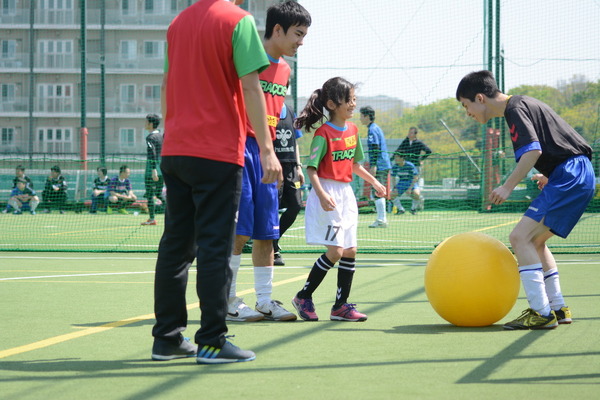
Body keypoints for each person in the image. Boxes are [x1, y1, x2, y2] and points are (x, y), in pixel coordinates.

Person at [151, 0, 282, 364]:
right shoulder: (238, 21)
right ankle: (211, 340)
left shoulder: (178, 23)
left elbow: (166, 83)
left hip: (175, 149)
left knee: (176, 246)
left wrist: (172, 133)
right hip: (216, 152)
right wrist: (268, 149)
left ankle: (167, 339)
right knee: (214, 247)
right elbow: (252, 87)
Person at [456, 70, 595, 330]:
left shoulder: (515, 108)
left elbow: (533, 150)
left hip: (570, 174)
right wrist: (549, 173)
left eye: (466, 106)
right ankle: (558, 307)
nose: (468, 113)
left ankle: (540, 312)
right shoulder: (525, 103)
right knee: (536, 241)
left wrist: (508, 186)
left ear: (479, 98)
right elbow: (561, 142)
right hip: (574, 172)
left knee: (519, 237)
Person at [227, 0, 311, 323]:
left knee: (267, 229)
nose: (301, 41)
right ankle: (229, 299)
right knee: (240, 228)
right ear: (277, 30)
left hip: (267, 151)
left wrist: (273, 153)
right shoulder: (247, 58)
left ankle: (264, 300)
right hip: (240, 147)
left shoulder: (286, 70)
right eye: (297, 34)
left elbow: (274, 115)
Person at [291, 77, 387, 322]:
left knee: (350, 250)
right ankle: (303, 295)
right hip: (327, 192)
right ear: (333, 104)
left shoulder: (354, 131)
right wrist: (321, 194)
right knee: (335, 251)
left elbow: (354, 164)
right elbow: (311, 169)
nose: (354, 105)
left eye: (355, 99)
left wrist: (374, 182)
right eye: (349, 100)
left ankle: (340, 307)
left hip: (346, 194)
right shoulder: (323, 133)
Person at [272, 102, 305, 266]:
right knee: (272, 208)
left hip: (291, 167)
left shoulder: (291, 112)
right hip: (273, 166)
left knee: (296, 205)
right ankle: (273, 250)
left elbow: (295, 142)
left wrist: (299, 167)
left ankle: (274, 240)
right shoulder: (266, 109)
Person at [359, 106, 391, 228]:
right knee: (378, 190)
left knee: (377, 190)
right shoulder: (375, 128)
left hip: (380, 165)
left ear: (367, 117)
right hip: (383, 164)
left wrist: (373, 165)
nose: (360, 118)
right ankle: (381, 218)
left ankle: (382, 220)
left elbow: (375, 148)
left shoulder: (372, 129)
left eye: (361, 116)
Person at [393, 126, 431, 211]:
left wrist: (421, 159)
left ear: (415, 134)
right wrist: (392, 159)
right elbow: (398, 150)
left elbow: (428, 151)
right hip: (406, 168)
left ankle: (415, 205)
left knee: (414, 185)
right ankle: (405, 206)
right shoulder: (405, 142)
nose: (409, 134)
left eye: (411, 132)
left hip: (415, 167)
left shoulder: (419, 143)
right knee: (405, 188)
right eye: (408, 132)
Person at [141, 113, 164, 226]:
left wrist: (153, 169)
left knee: (150, 194)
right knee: (159, 194)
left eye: (146, 122)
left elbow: (152, 152)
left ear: (150, 124)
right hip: (163, 167)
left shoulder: (150, 137)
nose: (144, 124)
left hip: (152, 169)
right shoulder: (161, 135)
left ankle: (152, 219)